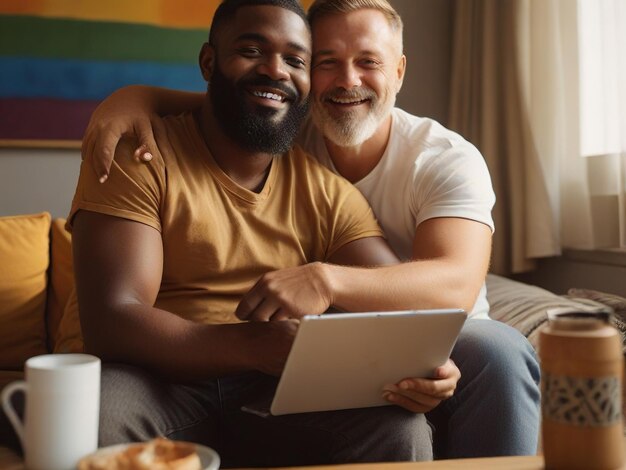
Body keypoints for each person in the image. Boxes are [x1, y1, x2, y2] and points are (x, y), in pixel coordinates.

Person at [0, 0, 467, 467]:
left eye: (296, 61)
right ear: (209, 62)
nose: (275, 71)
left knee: (395, 428)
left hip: (268, 388)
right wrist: (256, 346)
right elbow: (115, 321)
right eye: (251, 50)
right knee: (96, 420)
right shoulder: (140, 151)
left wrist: (424, 362)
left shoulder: (328, 192)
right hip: (145, 377)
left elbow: (400, 303)